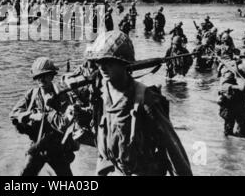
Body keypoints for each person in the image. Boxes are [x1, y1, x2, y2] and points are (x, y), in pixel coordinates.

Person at [83, 30, 193, 176]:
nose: (102, 67)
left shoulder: (146, 99)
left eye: (108, 62)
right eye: (98, 62)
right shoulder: (101, 93)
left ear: (123, 63)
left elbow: (173, 149)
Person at [10, 57, 79, 176]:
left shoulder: (61, 95)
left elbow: (64, 124)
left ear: (52, 76)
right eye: (38, 76)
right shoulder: (32, 94)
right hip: (37, 145)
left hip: (57, 148)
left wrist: (45, 115)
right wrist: (30, 115)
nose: (41, 79)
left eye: (45, 75)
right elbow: (14, 114)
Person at [217, 64, 245, 138]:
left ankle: (242, 144)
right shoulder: (230, 74)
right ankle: (228, 145)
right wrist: (238, 87)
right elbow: (224, 86)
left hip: (240, 104)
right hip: (228, 105)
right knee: (228, 130)